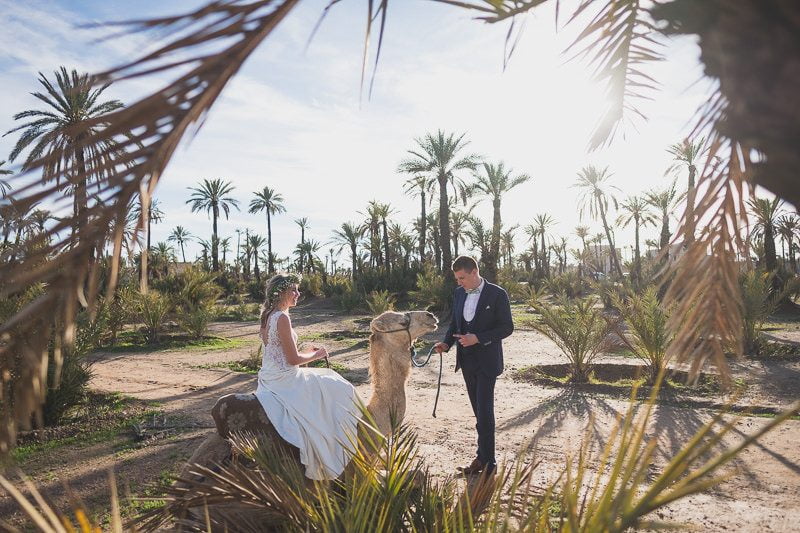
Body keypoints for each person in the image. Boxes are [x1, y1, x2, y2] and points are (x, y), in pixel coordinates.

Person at [254, 273, 361, 480]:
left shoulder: (268, 315)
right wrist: (317, 354)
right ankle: (335, 447)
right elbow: (293, 359)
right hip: (285, 379)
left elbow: (278, 352)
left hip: (270, 376)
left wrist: (307, 351)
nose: (298, 294)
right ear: (282, 292)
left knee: (327, 381)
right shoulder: (282, 318)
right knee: (336, 384)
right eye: (294, 289)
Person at [434, 256, 514, 476]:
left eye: (462, 278)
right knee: (478, 412)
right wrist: (446, 343)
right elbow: (454, 324)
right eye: (457, 279)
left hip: (488, 362)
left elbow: (507, 328)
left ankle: (489, 463)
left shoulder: (498, 294)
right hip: (466, 361)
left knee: (485, 412)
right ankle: (482, 457)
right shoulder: (459, 293)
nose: (459, 283)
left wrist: (479, 337)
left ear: (474, 272)